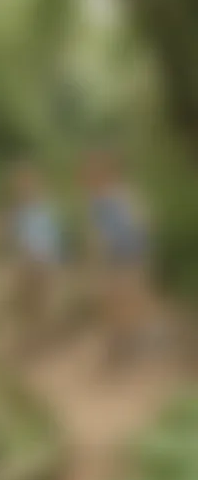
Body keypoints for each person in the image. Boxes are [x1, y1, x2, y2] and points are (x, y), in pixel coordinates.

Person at [81, 150, 159, 366]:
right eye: (89, 176)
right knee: (113, 300)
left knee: (130, 298)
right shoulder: (95, 202)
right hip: (114, 258)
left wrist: (142, 246)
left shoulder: (124, 194)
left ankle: (132, 342)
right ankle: (121, 342)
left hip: (131, 255)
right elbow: (94, 235)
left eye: (94, 174)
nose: (91, 180)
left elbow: (144, 221)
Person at [8, 162, 64, 353]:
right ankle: (32, 339)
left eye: (26, 183)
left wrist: (50, 259)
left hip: (43, 261)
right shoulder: (18, 211)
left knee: (43, 302)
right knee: (26, 304)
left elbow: (53, 236)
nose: (23, 188)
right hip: (26, 263)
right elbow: (17, 239)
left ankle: (44, 341)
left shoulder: (45, 208)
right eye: (20, 185)